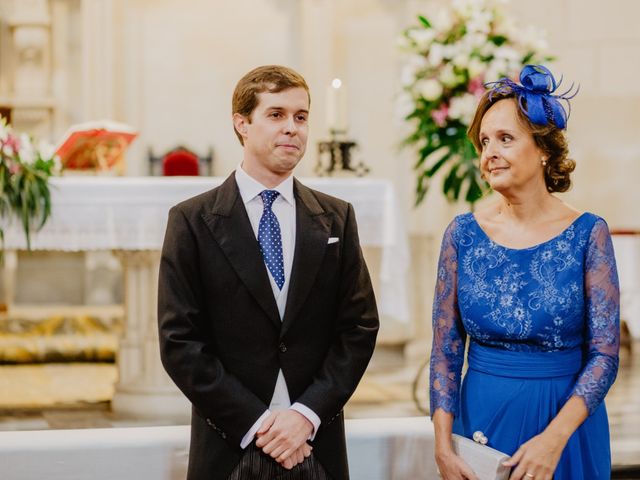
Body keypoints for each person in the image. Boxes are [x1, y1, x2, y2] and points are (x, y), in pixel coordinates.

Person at [158, 65, 379, 480]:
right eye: (276, 114)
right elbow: (179, 341)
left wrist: (306, 414)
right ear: (241, 124)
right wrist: (257, 423)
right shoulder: (192, 220)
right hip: (230, 442)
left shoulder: (336, 218)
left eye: (301, 116)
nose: (292, 128)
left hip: (315, 438)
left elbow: (359, 327)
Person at [429, 65, 620, 480]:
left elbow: (605, 356)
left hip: (565, 429)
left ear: (544, 150)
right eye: (484, 141)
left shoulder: (588, 234)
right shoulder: (461, 234)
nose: (489, 152)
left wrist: (554, 441)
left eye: (505, 139)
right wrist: (443, 446)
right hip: (480, 422)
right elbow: (445, 349)